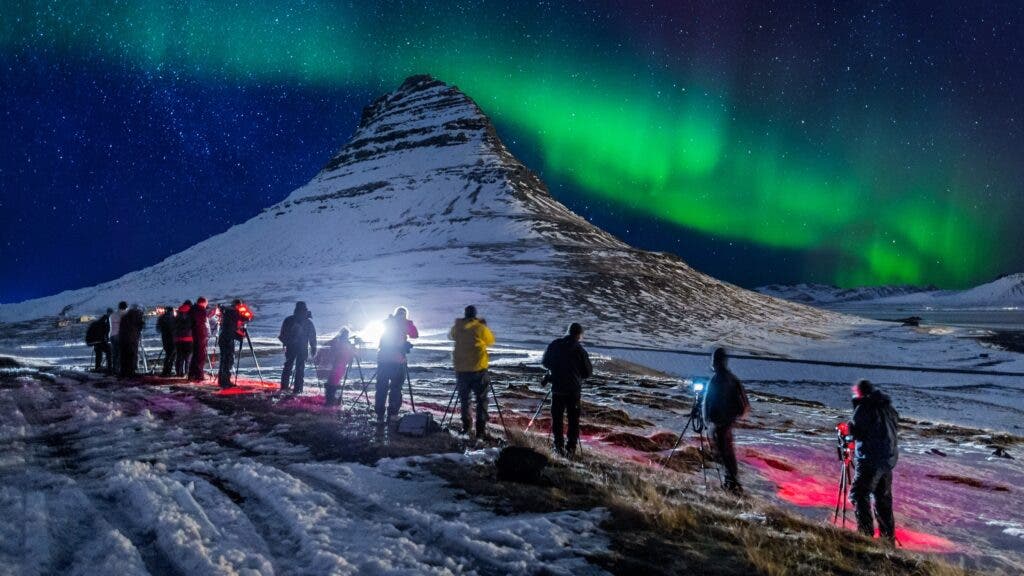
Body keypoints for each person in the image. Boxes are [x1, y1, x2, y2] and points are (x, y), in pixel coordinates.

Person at [848, 379, 899, 543]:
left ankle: (865, 537)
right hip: (888, 461)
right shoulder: (888, 408)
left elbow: (859, 433)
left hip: (870, 460)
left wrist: (850, 429)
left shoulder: (865, 408)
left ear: (859, 392)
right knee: (883, 500)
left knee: (859, 494)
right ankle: (887, 540)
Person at [702, 347, 751, 494]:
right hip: (727, 422)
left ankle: (732, 485)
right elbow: (744, 404)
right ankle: (731, 483)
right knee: (728, 454)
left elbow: (708, 403)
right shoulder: (732, 379)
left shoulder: (717, 380)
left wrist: (707, 420)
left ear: (715, 362)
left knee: (725, 455)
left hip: (719, 424)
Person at [541, 322, 593, 456]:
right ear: (579, 335)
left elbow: (545, 362)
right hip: (573, 391)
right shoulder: (580, 351)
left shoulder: (555, 344)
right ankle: (571, 449)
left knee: (557, 418)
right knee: (573, 420)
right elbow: (588, 373)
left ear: (568, 332)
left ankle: (558, 447)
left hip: (557, 389)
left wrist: (555, 370)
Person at [448, 305, 496, 437]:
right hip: (478, 370)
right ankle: (480, 431)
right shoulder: (480, 328)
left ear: (465, 314)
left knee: (464, 400)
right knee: (481, 400)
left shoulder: (458, 327)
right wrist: (484, 325)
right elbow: (490, 340)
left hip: (461, 370)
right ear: (475, 315)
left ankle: (466, 427)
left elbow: (451, 336)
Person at [375, 306, 419, 423]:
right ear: (405, 315)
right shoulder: (405, 324)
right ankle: (392, 415)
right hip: (397, 361)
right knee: (396, 388)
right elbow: (415, 334)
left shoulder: (388, 322)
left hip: (383, 360)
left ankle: (379, 416)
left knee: (381, 388)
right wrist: (409, 323)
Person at [278, 301, 317, 393]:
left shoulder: (289, 320)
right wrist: (313, 348)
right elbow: (312, 337)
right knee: (299, 369)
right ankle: (297, 389)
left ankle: (285, 388)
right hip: (300, 348)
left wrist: (287, 342)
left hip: (292, 348)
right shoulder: (308, 322)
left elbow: (282, 335)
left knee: (288, 367)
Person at [315, 327, 358, 406]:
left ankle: (332, 400)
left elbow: (325, 349)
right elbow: (348, 355)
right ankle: (333, 400)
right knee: (334, 382)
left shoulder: (337, 342)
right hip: (337, 366)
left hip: (336, 366)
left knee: (333, 382)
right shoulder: (339, 343)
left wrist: (318, 358)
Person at [217, 300, 246, 388]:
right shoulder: (233, 312)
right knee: (228, 360)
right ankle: (226, 381)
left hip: (223, 338)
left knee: (223, 360)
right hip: (227, 339)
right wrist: (240, 336)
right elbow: (231, 329)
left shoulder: (227, 311)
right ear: (237, 305)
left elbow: (229, 328)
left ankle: (222, 380)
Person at [188, 297, 215, 382]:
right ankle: (198, 375)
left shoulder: (194, 309)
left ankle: (193, 374)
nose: (206, 305)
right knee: (200, 355)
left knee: (196, 355)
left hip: (197, 334)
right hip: (200, 335)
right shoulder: (199, 310)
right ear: (203, 303)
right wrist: (208, 314)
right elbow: (201, 322)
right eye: (206, 303)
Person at [118, 304, 146, 378]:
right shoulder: (137, 316)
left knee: (124, 356)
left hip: (123, 339)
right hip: (132, 339)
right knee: (132, 355)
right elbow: (140, 326)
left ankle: (123, 372)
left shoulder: (125, 317)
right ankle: (131, 372)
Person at [173, 300, 194, 377]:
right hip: (189, 338)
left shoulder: (178, 313)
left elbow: (173, 326)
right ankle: (187, 373)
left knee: (179, 357)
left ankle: (179, 372)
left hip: (178, 339)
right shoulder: (191, 313)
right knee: (188, 357)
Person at [156, 305, 176, 377]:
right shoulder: (173, 318)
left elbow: (158, 329)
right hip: (173, 339)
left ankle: (166, 371)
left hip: (165, 338)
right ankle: (167, 371)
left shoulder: (161, 318)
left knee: (168, 354)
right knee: (172, 355)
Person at [108, 301, 128, 375]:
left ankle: (115, 370)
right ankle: (121, 370)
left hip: (112, 335)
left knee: (115, 354)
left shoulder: (112, 315)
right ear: (125, 307)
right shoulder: (125, 314)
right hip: (120, 335)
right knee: (121, 353)